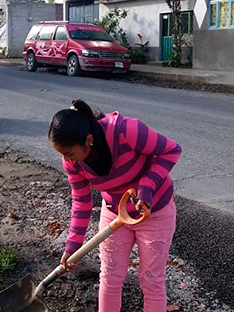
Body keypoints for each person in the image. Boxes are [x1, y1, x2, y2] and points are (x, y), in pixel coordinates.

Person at [48, 99, 182, 312]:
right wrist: (73, 246)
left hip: (155, 212)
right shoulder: (72, 161)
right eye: (62, 155)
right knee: (109, 275)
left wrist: (147, 185)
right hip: (115, 214)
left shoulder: (126, 131)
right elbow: (82, 201)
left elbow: (171, 150)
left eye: (69, 153)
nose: (67, 160)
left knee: (151, 280)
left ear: (89, 140)